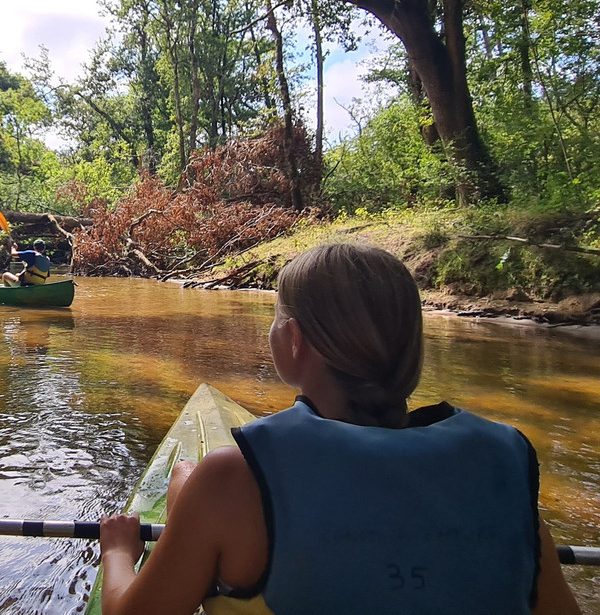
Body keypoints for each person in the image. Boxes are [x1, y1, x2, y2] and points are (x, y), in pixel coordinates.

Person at [99, 243, 580, 615]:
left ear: (294, 339)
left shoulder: (230, 477)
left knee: (179, 493)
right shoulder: (500, 476)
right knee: (189, 482)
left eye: (276, 316)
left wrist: (119, 551)